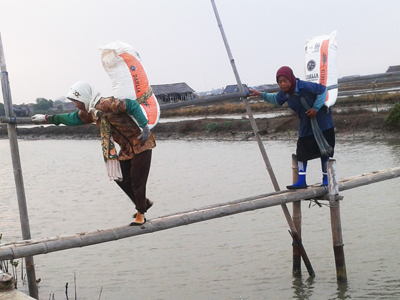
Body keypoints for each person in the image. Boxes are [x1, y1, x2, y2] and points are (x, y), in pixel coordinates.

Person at [31, 81, 155, 225]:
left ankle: (141, 213)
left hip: (141, 143)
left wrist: (144, 126)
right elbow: (72, 118)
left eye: (76, 101)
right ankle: (143, 203)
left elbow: (132, 105)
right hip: (127, 148)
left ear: (84, 97)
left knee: (137, 180)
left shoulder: (108, 104)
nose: (76, 105)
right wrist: (48, 118)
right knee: (119, 176)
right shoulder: (91, 113)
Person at [249, 66, 335, 189]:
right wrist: (260, 94)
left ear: (291, 78)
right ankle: (301, 181)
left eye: (285, 80)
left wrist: (315, 108)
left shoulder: (304, 86)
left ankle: (326, 179)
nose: (283, 84)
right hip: (306, 125)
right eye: (280, 82)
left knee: (324, 152)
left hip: (323, 122)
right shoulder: (285, 93)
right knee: (301, 152)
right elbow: (276, 99)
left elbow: (322, 90)